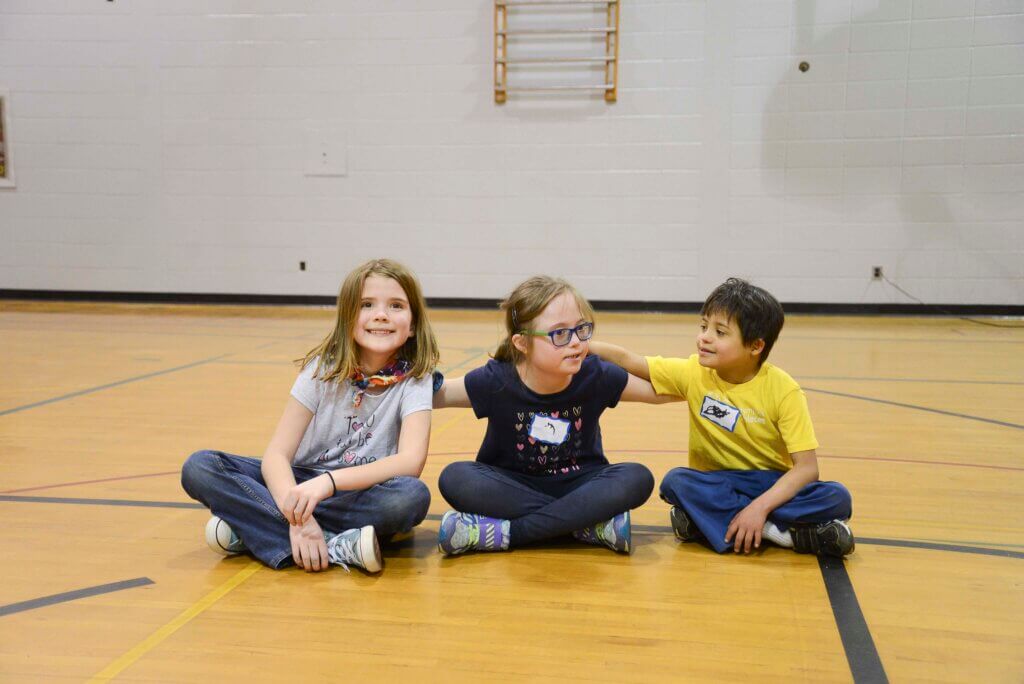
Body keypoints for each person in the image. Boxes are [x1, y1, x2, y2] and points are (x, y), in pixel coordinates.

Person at [181, 258, 439, 573]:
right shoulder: (322, 369)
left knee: (410, 498)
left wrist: (327, 485)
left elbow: (409, 462)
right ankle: (333, 544)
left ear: (412, 324)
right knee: (201, 467)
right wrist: (299, 517)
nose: (381, 315)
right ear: (347, 318)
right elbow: (276, 456)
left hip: (357, 492)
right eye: (367, 305)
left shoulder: (416, 378)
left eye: (396, 306)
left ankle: (254, 529)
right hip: (300, 483)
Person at [589, 277, 854, 557]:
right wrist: (585, 346)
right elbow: (632, 361)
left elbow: (807, 469)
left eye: (720, 332)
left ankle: (714, 521)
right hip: (716, 483)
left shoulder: (784, 390)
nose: (704, 337)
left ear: (755, 346)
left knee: (837, 497)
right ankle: (779, 533)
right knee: (677, 482)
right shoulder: (695, 373)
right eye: (704, 326)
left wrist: (759, 507)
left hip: (770, 483)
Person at [432, 275, 671, 556]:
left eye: (582, 329)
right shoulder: (497, 380)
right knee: (455, 477)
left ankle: (506, 534)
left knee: (637, 477)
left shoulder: (594, 374)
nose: (575, 343)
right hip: (511, 487)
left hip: (582, 483)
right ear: (521, 343)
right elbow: (439, 394)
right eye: (560, 334)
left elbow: (661, 391)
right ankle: (586, 524)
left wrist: (709, 379)